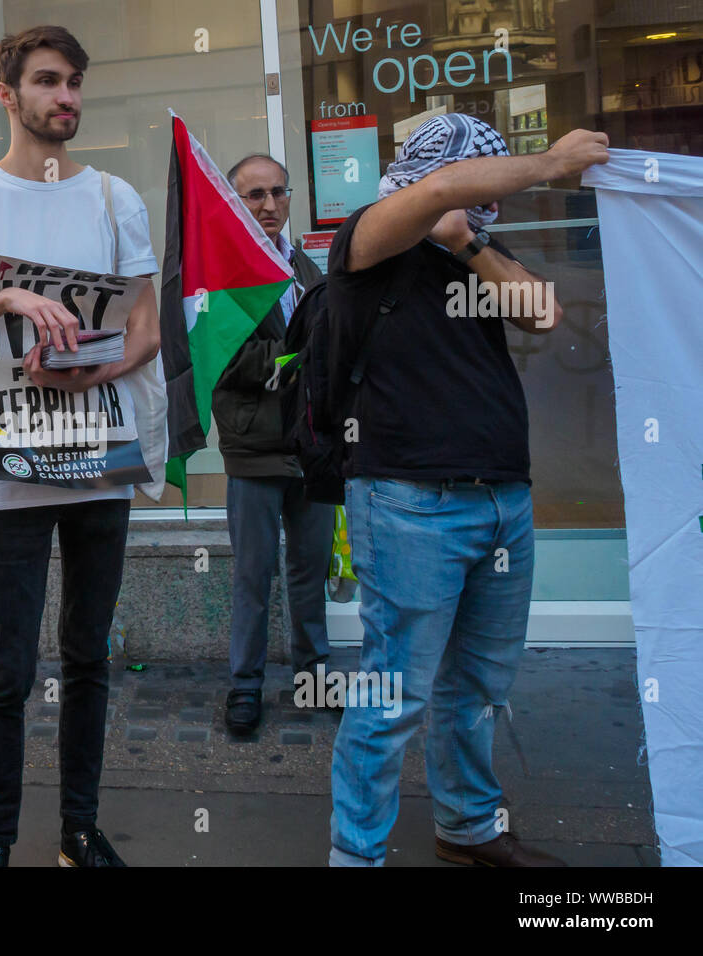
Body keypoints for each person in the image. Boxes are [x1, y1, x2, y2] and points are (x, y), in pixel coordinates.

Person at [0, 25, 160, 867]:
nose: (68, 97)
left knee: (89, 656)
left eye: (77, 82)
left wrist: (93, 372)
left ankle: (79, 831)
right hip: (7, 473)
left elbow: (150, 329)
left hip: (98, 462)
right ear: (7, 95)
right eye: (49, 81)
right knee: (7, 667)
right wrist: (4, 299)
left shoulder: (116, 200)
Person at [325, 113, 609, 866]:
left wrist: (468, 242)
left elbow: (541, 312)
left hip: (501, 499)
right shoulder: (370, 237)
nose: (484, 196)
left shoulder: (469, 244)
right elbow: (442, 188)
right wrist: (551, 161)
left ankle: (469, 829)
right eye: (471, 172)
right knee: (393, 696)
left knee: (477, 684)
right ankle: (356, 856)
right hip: (407, 499)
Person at [213, 154, 333, 735]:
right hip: (254, 451)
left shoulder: (309, 270)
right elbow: (232, 361)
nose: (267, 205)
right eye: (253, 195)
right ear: (235, 204)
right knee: (253, 577)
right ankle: (245, 689)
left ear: (289, 198)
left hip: (310, 450)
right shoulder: (223, 278)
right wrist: (305, 360)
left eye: (276, 193)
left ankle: (313, 676)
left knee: (311, 570)